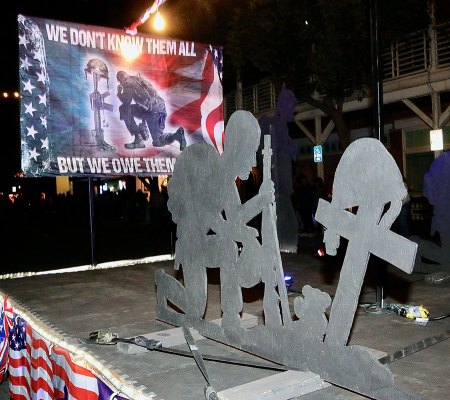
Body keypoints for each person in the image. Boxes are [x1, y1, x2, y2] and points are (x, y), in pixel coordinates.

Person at [156, 110, 275, 330]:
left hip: (206, 244)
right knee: (195, 308)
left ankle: (231, 316)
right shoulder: (210, 172)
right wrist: (241, 234)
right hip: (191, 244)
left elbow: (236, 216)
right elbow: (209, 218)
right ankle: (163, 282)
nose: (252, 162)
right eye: (250, 153)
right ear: (237, 148)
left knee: (228, 248)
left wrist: (261, 199)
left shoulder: (228, 183)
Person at [116, 71, 186, 150]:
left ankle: (139, 139)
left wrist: (119, 92)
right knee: (158, 141)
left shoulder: (128, 83)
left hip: (152, 111)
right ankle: (176, 135)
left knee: (124, 109)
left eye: (119, 80)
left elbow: (126, 102)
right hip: (159, 109)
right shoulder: (138, 79)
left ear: (121, 78)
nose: (120, 83)